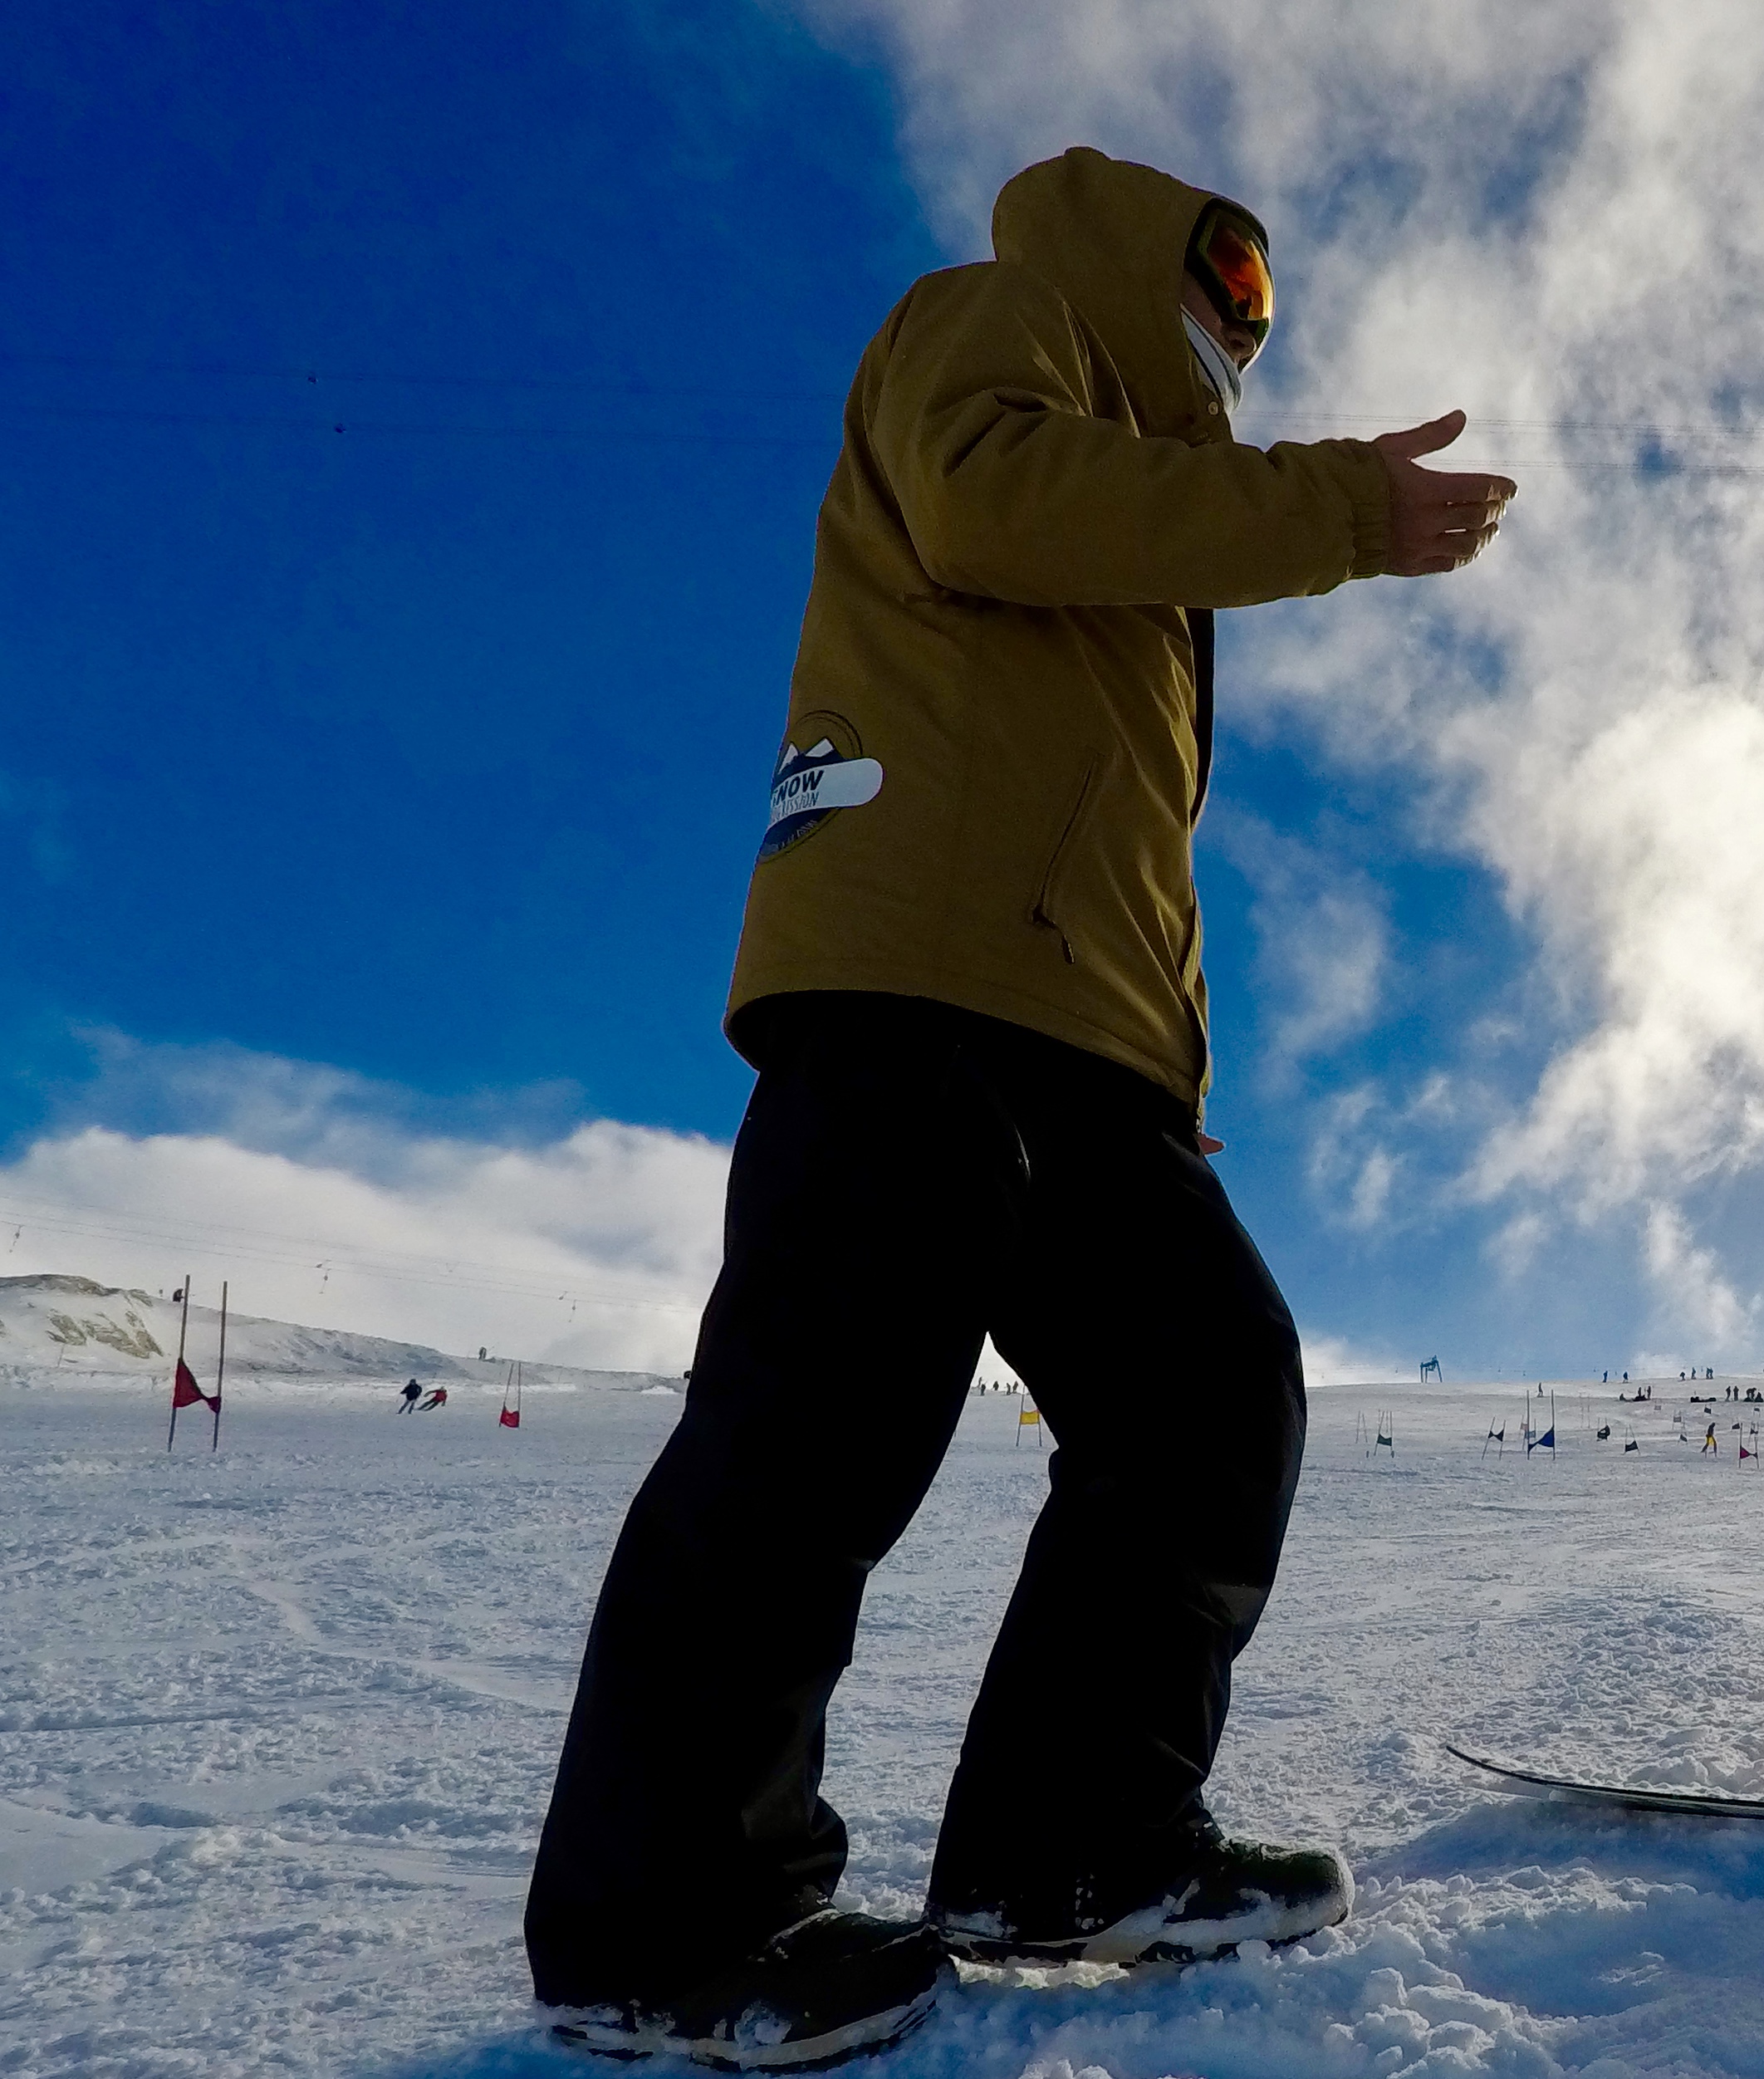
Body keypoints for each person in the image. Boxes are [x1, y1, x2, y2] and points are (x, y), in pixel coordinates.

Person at [523, 147, 1513, 2067]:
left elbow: (1117, 830)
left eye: (1260, 311)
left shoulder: (1156, 555)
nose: (1239, 329)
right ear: (1136, 260)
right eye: (1220, 281)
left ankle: (1071, 1845)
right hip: (909, 985)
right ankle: (665, 1922)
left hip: (1084, 1040)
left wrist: (1169, 1059)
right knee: (817, 1422)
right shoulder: (993, 324)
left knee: (1211, 1391)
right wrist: (1323, 503)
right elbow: (987, 498)